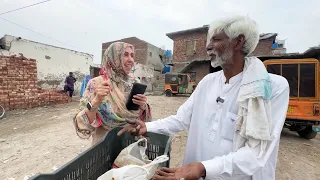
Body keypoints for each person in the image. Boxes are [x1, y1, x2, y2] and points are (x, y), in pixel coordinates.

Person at [118, 16, 289, 180]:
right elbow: (181, 119)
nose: (208, 46)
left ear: (238, 41)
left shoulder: (271, 88)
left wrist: (203, 168)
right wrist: (147, 126)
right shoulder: (208, 82)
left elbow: (257, 153)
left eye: (216, 39)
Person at [74, 42, 151, 145]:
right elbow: (84, 125)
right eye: (125, 54)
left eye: (132, 55)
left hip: (131, 142)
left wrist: (143, 106)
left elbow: (142, 119)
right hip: (105, 145)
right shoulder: (96, 83)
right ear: (113, 57)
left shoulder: (134, 82)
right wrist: (96, 101)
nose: (131, 60)